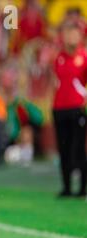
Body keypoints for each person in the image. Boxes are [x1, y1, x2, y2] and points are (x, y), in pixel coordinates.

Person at [52, 21, 87, 198]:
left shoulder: (84, 57)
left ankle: (82, 188)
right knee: (63, 149)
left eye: (74, 34)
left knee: (78, 149)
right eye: (68, 34)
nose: (71, 37)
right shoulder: (59, 58)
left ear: (80, 36)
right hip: (59, 108)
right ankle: (66, 187)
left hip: (77, 108)